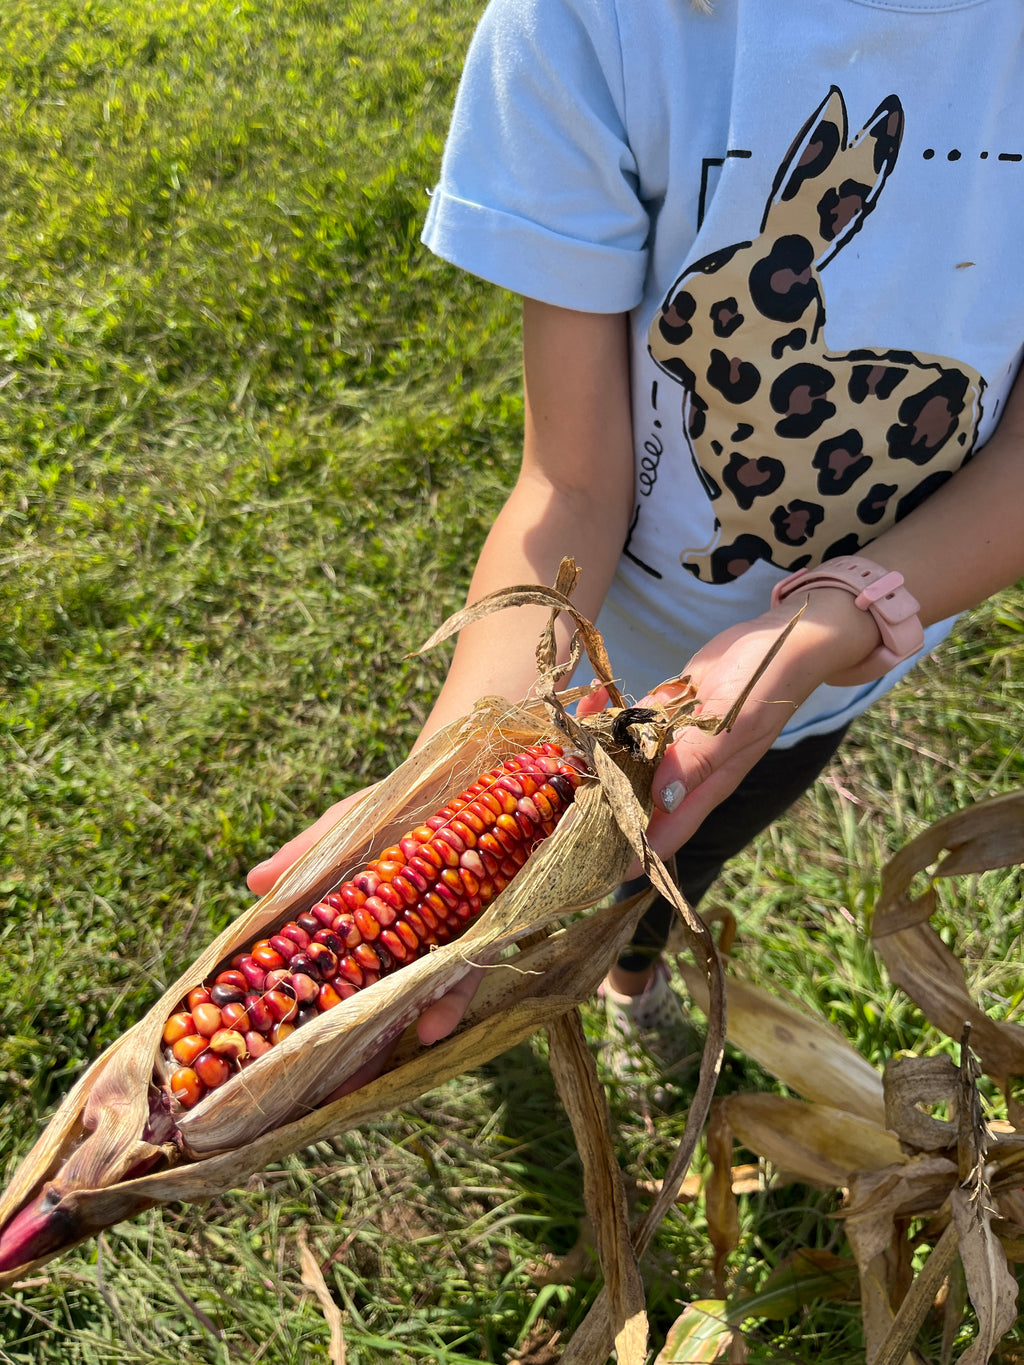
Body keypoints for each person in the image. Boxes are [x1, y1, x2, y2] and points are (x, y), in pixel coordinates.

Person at [249, 0, 1024, 1086]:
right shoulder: (594, 25)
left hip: (824, 673)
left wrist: (819, 631)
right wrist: (454, 775)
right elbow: (570, 485)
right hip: (592, 654)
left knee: (684, 855)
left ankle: (631, 969)